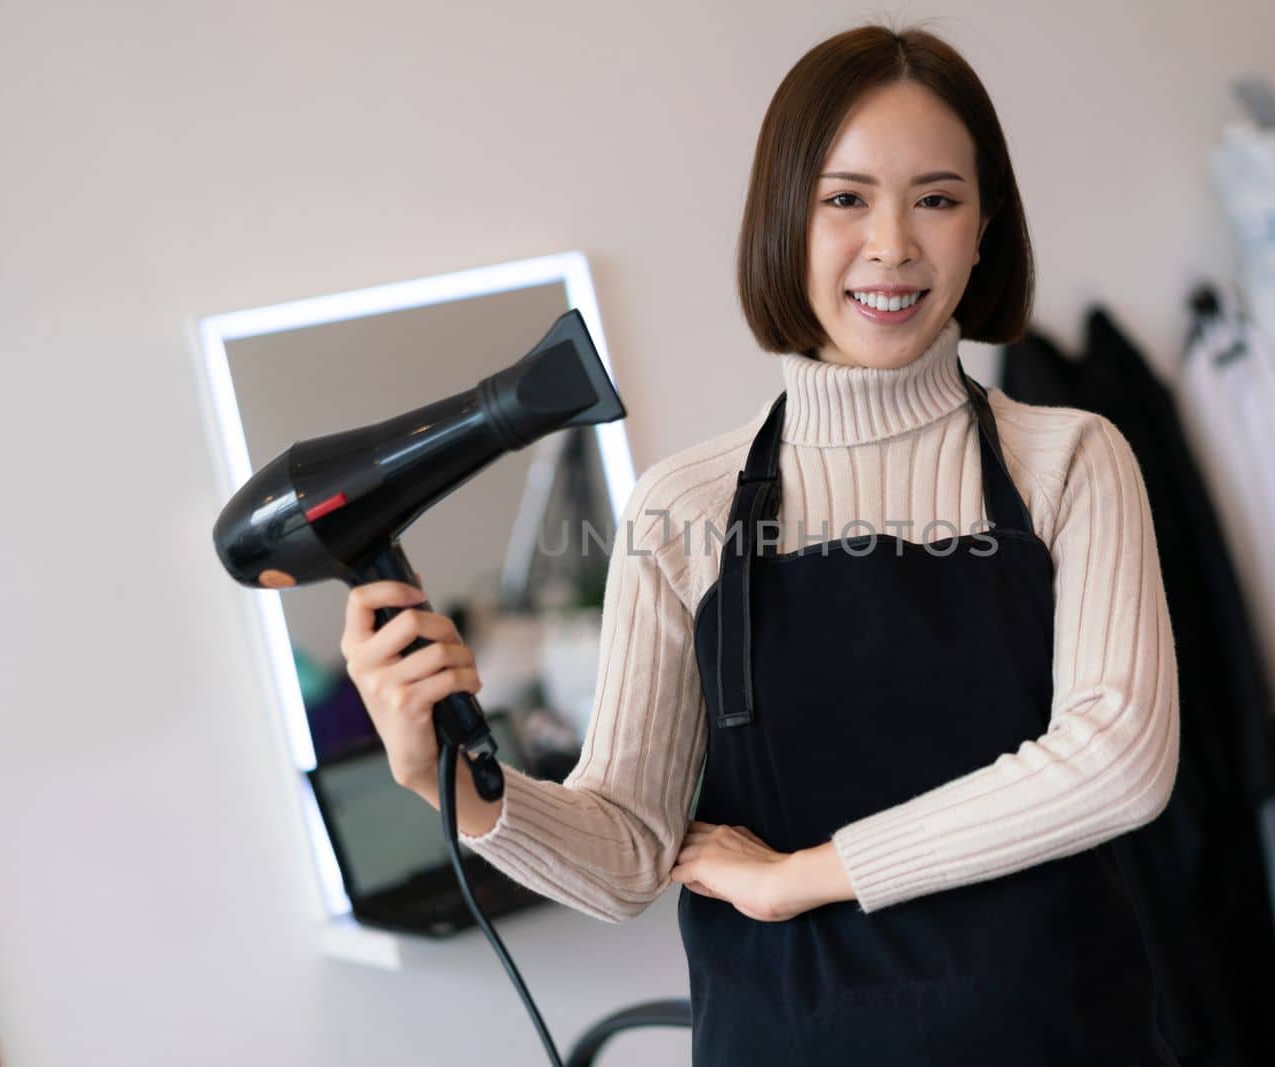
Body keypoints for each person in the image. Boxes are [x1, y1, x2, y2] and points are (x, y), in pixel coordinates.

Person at [339, 21, 1181, 1066]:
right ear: (785, 219)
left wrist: (803, 873)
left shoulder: (1070, 459)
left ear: (982, 228)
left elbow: (1117, 763)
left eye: (936, 197)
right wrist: (444, 780)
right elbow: (629, 853)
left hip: (1055, 1036)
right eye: (845, 198)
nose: (892, 244)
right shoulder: (678, 507)